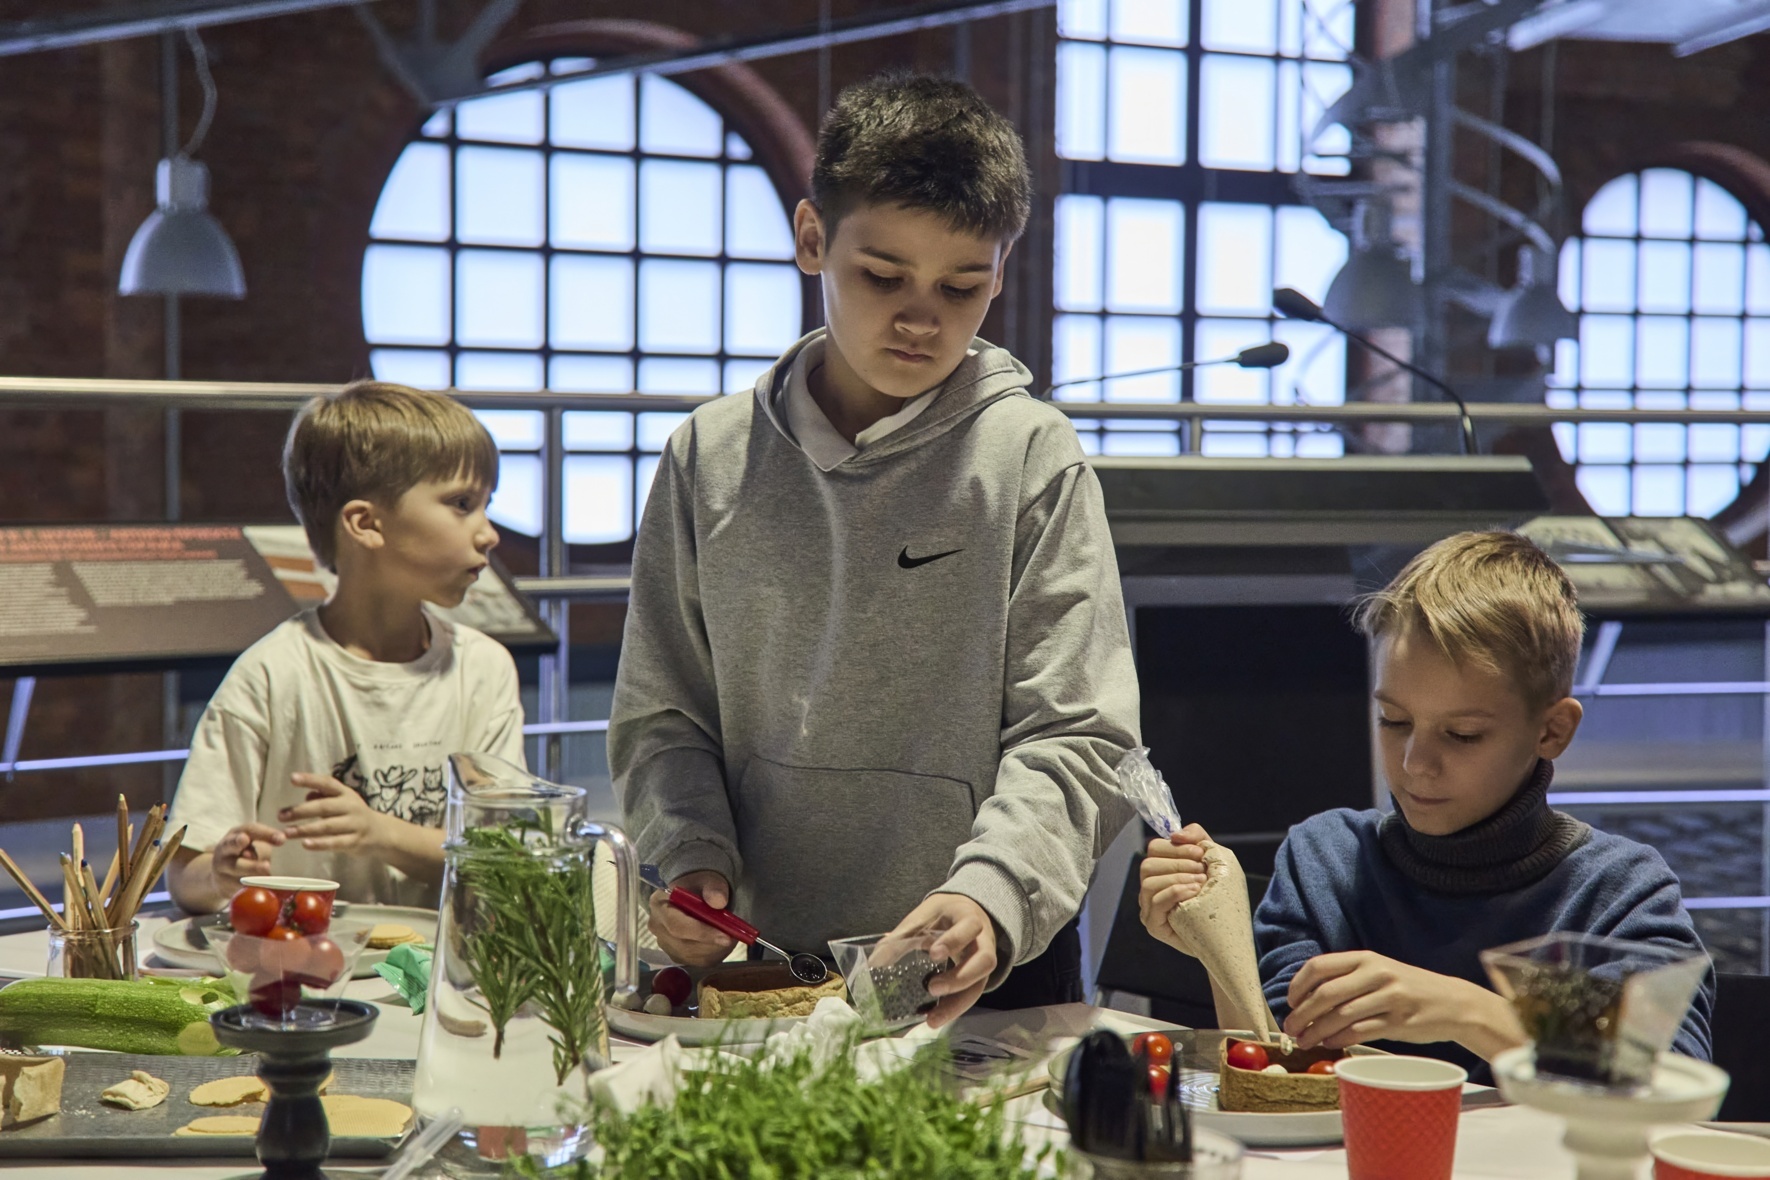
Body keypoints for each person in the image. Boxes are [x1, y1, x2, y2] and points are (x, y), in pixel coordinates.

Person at [609, 72, 1139, 1027]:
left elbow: (1080, 732)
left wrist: (993, 890)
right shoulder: (710, 456)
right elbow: (665, 715)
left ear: (1000, 273)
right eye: (883, 277)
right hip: (764, 965)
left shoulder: (1029, 456)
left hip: (976, 966)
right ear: (813, 238)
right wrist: (690, 855)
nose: (920, 319)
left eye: (961, 286)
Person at [1138, 531, 1712, 1080]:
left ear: (1552, 730)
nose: (1415, 763)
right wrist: (1219, 946)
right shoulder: (1328, 862)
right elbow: (1274, 1061)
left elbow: (1670, 1076)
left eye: (1463, 734)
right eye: (1395, 720)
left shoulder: (1616, 892)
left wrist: (1467, 1011)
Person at [166, 381, 525, 913]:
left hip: (443, 960)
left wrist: (381, 834)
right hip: (304, 958)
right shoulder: (271, 674)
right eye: (462, 504)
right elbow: (184, 873)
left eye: (485, 505)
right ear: (366, 524)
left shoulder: (484, 669)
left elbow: (503, 860)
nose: (488, 533)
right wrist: (223, 873)